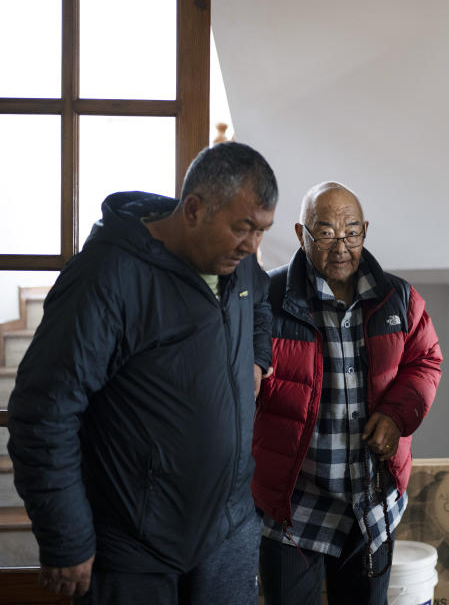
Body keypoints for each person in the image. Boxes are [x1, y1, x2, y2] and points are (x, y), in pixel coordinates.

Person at [7, 142, 278, 603]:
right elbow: (44, 412)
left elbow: (261, 304)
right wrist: (67, 537)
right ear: (193, 210)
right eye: (243, 229)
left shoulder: (237, 260)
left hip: (227, 532)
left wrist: (258, 358)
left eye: (261, 231)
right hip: (135, 549)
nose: (253, 246)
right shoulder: (106, 277)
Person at [252, 182, 443, 605]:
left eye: (352, 232)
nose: (341, 246)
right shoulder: (268, 298)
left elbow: (425, 360)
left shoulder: (398, 299)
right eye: (325, 233)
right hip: (293, 506)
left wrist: (396, 416)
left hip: (370, 503)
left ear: (365, 231)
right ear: (301, 234)